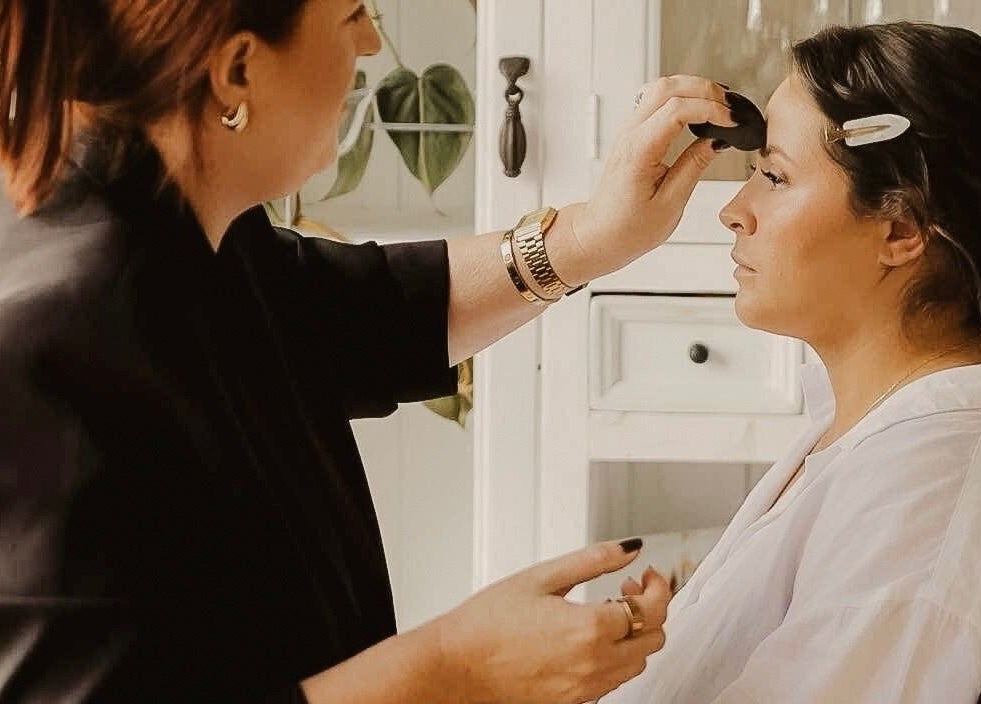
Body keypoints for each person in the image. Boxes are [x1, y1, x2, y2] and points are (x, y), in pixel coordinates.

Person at [0, 1, 740, 702]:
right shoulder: (51, 356)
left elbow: (369, 315)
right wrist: (456, 671)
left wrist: (590, 237)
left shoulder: (189, 238)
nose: (370, 45)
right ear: (238, 71)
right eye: (351, 15)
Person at [602, 21, 981, 704]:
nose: (733, 210)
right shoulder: (856, 432)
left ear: (899, 229)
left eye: (773, 176)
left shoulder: (929, 487)